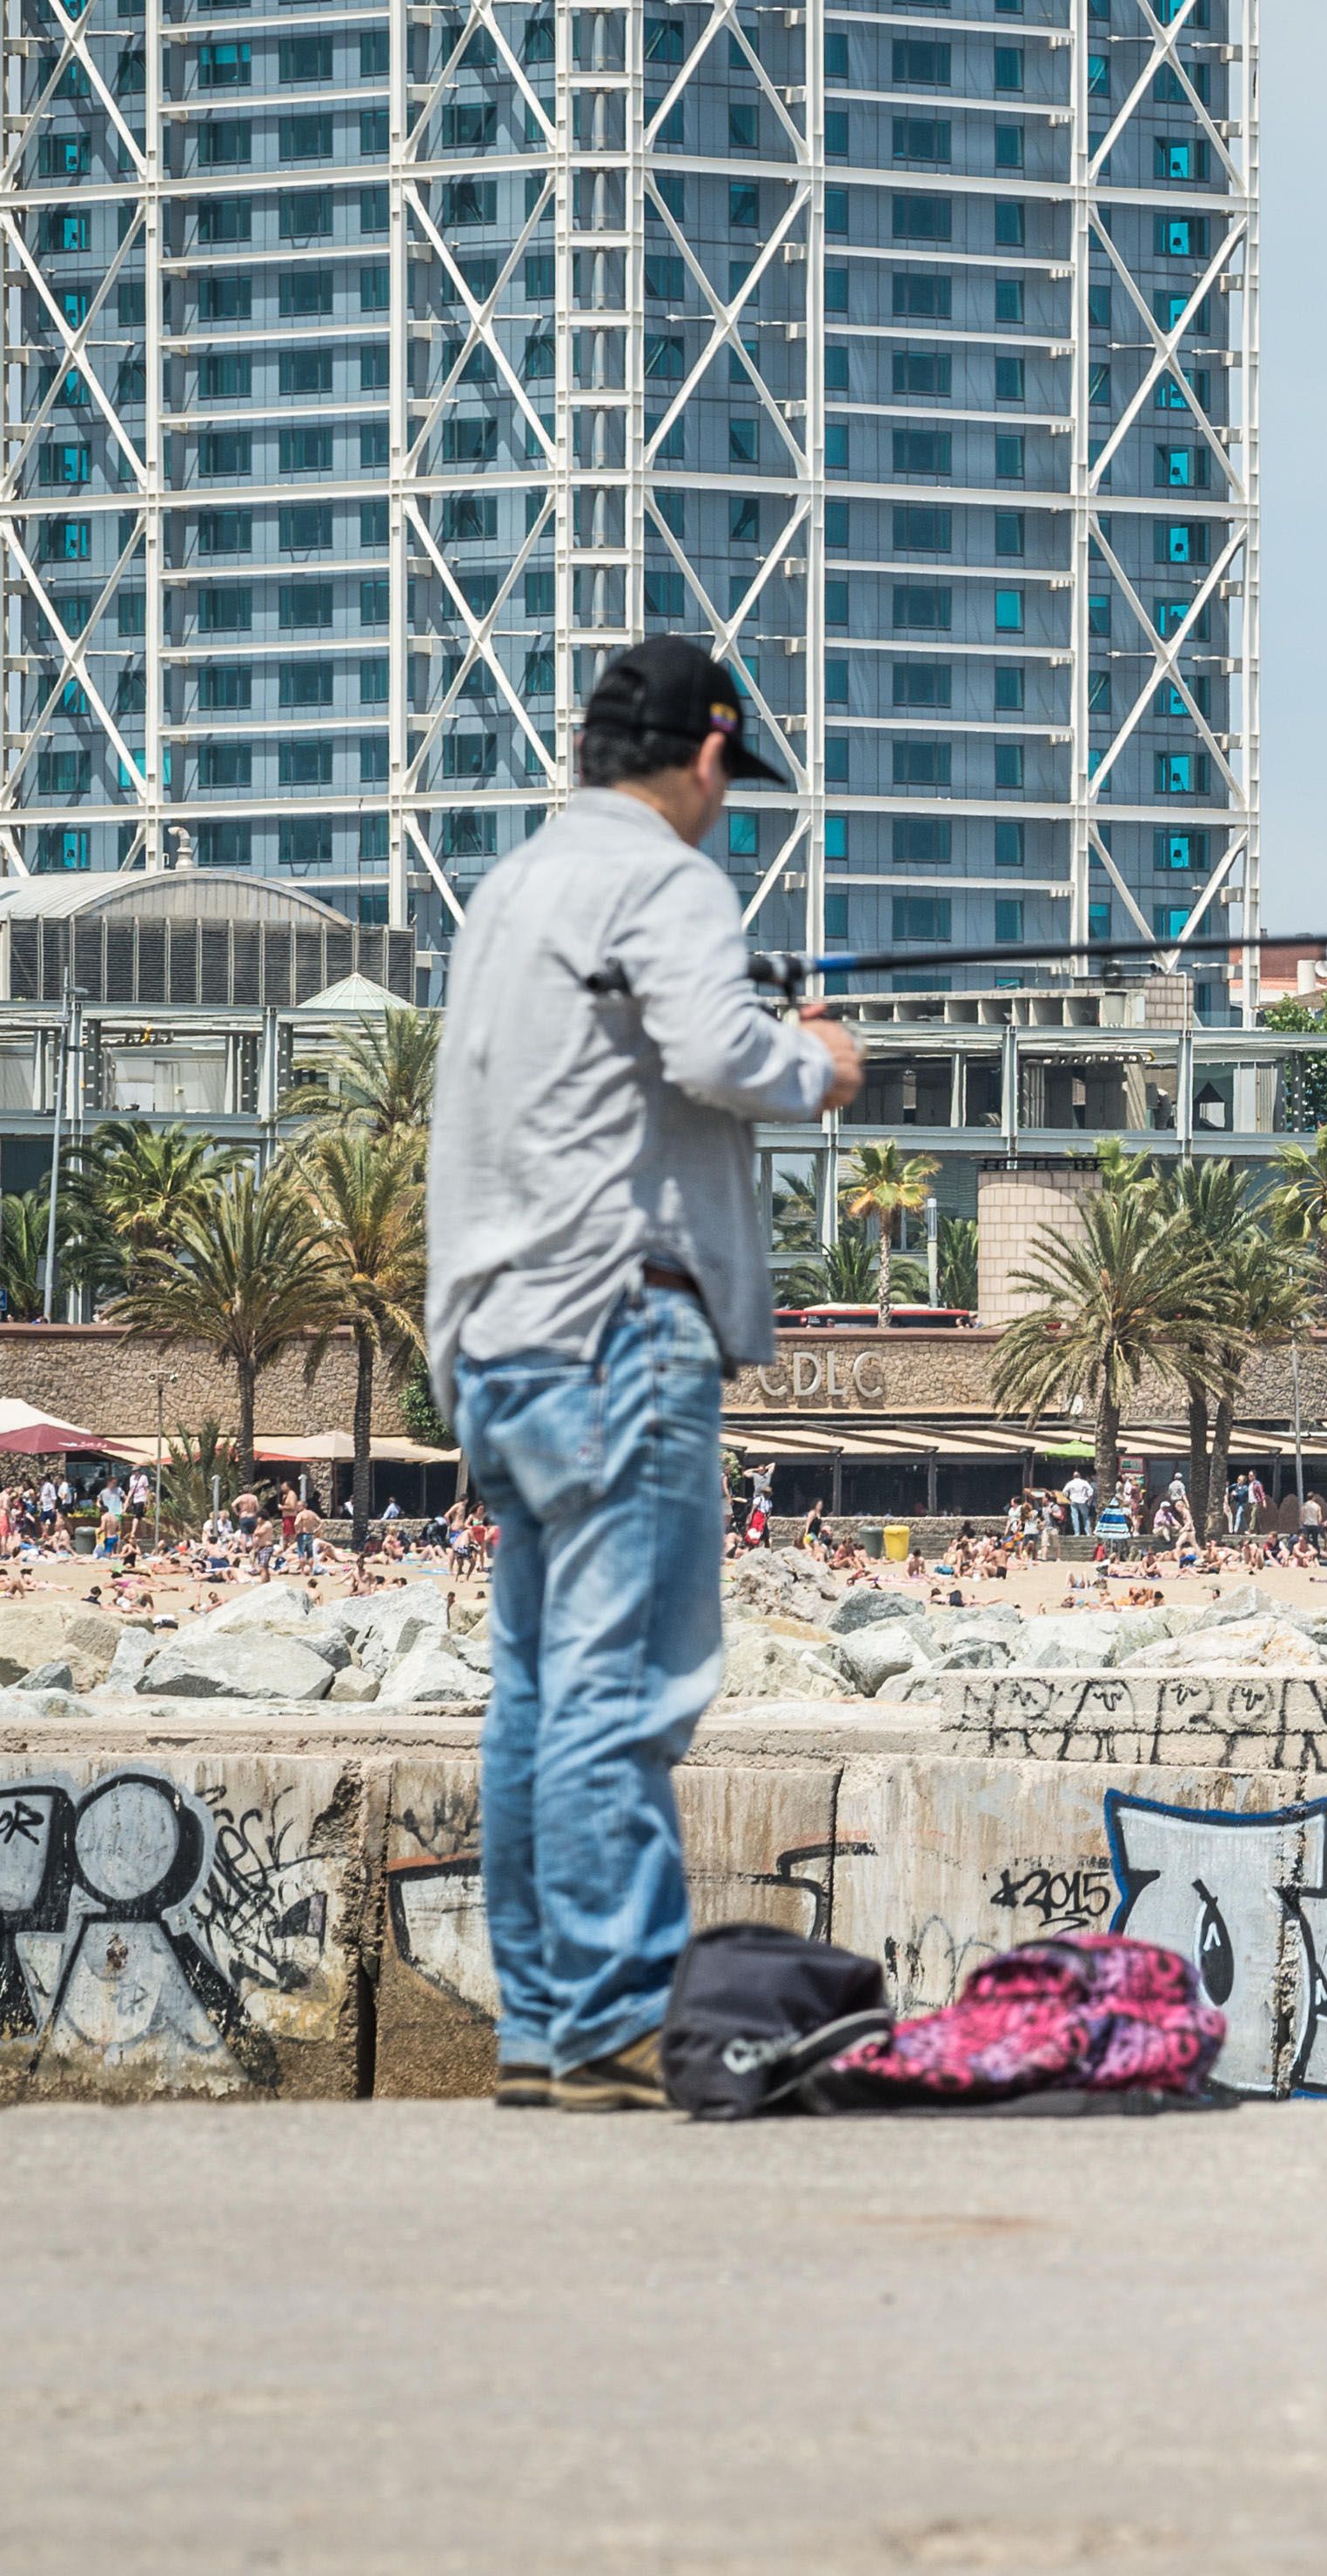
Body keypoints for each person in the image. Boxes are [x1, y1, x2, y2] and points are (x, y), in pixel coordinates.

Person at [429, 638, 862, 2113]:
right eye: (733, 779)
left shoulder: (505, 892)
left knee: (539, 1692)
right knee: (627, 1689)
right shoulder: (666, 880)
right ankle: (617, 2014)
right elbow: (711, 1047)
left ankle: (546, 2021)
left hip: (497, 1343)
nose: (729, 808)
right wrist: (814, 1061)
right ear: (708, 756)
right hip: (620, 1328)